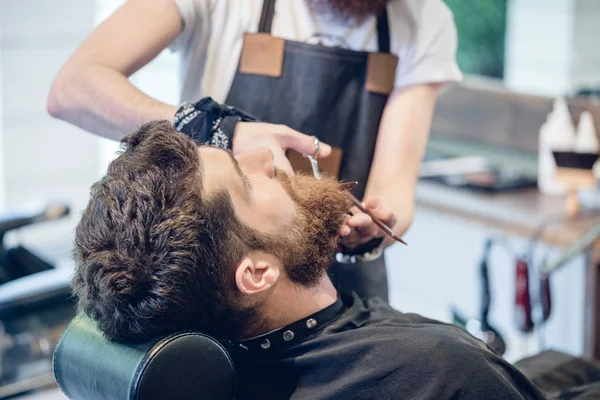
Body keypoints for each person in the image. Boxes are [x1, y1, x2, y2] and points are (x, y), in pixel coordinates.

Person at [72, 121, 545, 399]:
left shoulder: (236, 369)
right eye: (247, 180)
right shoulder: (445, 373)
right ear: (256, 273)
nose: (263, 157)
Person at [48, 0, 463, 301]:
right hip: (218, 268)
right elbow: (73, 89)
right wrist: (215, 128)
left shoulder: (423, 19)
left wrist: (373, 230)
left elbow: (395, 187)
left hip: (342, 280)